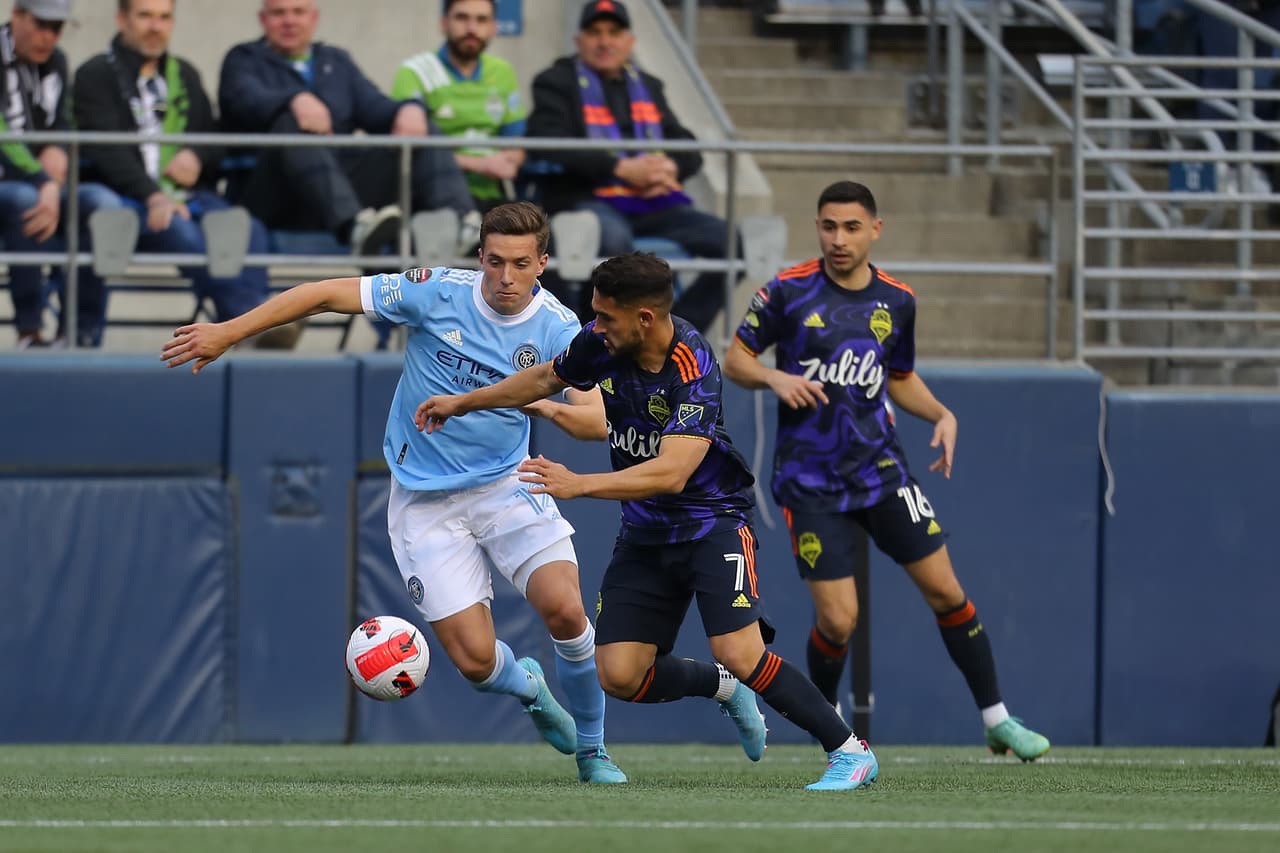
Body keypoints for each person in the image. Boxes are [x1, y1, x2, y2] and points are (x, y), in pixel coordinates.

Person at [161, 202, 626, 785]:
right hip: (424, 501)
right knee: (478, 664)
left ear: (543, 263)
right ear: (480, 256)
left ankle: (593, 749)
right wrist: (228, 332)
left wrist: (538, 402)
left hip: (507, 484)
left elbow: (596, 420)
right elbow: (324, 294)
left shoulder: (559, 329)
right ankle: (528, 686)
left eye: (521, 265)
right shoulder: (435, 292)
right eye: (496, 262)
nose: (506, 278)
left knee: (565, 608)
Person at [415, 251, 880, 791]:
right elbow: (544, 376)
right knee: (619, 675)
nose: (595, 327)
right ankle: (724, 688)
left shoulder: (692, 361)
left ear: (644, 319)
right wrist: (463, 403)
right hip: (645, 532)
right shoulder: (602, 342)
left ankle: (849, 750)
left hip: (712, 523)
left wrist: (579, 484)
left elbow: (673, 472)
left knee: (740, 649)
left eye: (606, 317)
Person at [722, 180, 1052, 761]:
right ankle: (830, 733)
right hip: (811, 481)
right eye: (828, 226)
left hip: (883, 473)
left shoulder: (897, 300)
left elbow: (899, 376)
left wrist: (941, 413)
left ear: (876, 229)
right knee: (839, 620)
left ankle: (998, 719)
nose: (839, 238)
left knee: (947, 591)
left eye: (851, 227)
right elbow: (736, 358)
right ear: (817, 227)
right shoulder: (787, 291)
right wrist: (775, 377)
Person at [73, 0, 289, 337]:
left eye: (164, 17)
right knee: (186, 234)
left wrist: (196, 155)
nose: (155, 27)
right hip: (127, 201)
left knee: (248, 229)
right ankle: (251, 328)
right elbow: (105, 150)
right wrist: (153, 196)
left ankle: (250, 324)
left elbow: (215, 137)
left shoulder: (184, 74)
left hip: (187, 197)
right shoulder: (95, 74)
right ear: (122, 20)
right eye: (144, 16)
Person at [526, 0, 732, 333]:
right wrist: (620, 169)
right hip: (586, 198)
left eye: (614, 32)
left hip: (651, 202)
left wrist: (669, 168)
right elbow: (548, 142)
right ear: (579, 41)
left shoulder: (648, 85)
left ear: (629, 42)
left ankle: (673, 334)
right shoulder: (556, 81)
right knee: (613, 244)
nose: (605, 41)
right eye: (595, 33)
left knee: (728, 241)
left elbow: (686, 145)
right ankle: (595, 336)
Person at [218, 0, 479, 258]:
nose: (289, 21)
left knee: (422, 127)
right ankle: (354, 228)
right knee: (290, 122)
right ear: (263, 20)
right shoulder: (243, 59)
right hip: (274, 195)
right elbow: (244, 100)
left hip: (337, 189)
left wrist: (410, 109)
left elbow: (374, 108)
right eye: (279, 13)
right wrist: (294, 100)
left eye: (298, 12)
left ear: (314, 18)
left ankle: (460, 226)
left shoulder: (335, 61)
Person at [1, 0, 122, 348]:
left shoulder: (56, 61)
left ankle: (79, 331)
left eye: (56, 28)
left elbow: (64, 121)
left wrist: (58, 146)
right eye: (41, 24)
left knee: (103, 203)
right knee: (25, 200)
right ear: (17, 15)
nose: (48, 37)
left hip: (44, 185)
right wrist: (44, 182)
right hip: (22, 186)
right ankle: (29, 331)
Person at [390, 0, 526, 213]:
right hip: (433, 197)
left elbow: (516, 141)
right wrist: (479, 164)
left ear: (493, 28)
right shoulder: (415, 72)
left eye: (481, 20)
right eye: (462, 18)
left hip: (495, 197)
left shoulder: (503, 72)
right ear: (444, 23)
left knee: (542, 234)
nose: (472, 29)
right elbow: (411, 150)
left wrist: (511, 160)